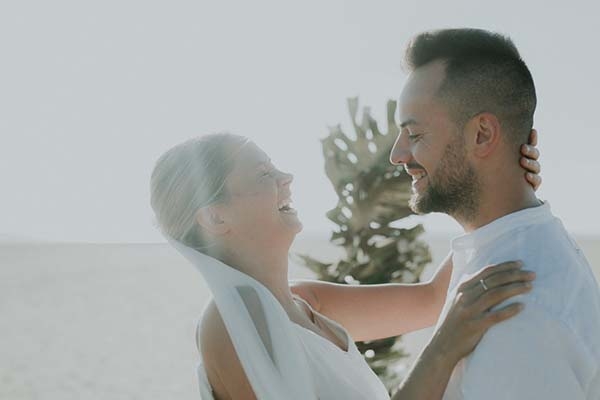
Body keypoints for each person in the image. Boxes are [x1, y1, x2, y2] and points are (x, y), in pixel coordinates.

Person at [150, 129, 541, 399]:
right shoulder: (230, 319)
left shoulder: (308, 303)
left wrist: (502, 190)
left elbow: (433, 300)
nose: (286, 177)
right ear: (215, 217)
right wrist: (443, 350)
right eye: (264, 174)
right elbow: (444, 315)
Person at [385, 28, 600, 399]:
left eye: (415, 135)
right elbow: (429, 298)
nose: (397, 155)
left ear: (482, 134)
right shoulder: (498, 256)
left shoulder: (515, 314)